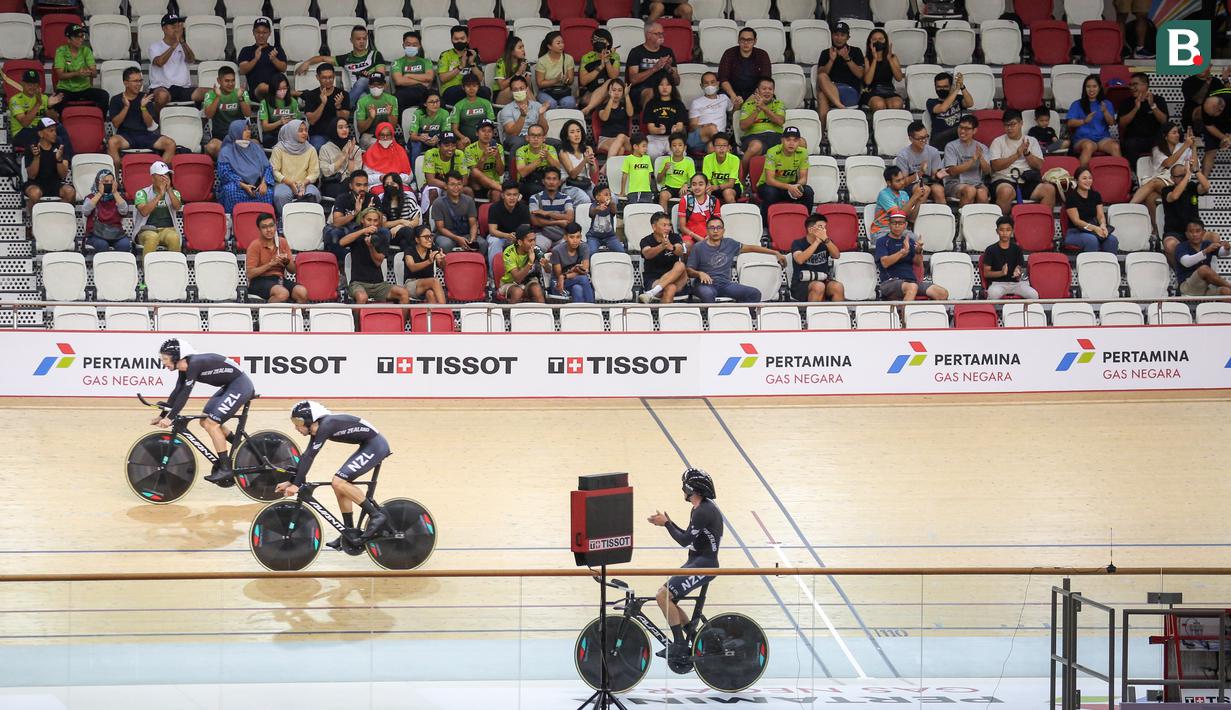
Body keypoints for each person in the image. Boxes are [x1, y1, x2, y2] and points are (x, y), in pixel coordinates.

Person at [279, 400, 393, 551]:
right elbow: (306, 456)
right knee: (339, 486)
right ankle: (348, 532)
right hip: (368, 445)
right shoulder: (319, 429)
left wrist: (296, 484)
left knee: (338, 481)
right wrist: (291, 481)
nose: (296, 427)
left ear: (310, 419)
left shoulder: (327, 424)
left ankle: (376, 515)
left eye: (298, 422)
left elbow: (310, 457)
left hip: (376, 445)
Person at [155, 338, 256, 484]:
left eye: (165, 358)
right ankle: (240, 445)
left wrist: (170, 418)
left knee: (212, 423)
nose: (163, 362)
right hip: (230, 385)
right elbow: (177, 391)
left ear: (177, 357)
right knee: (205, 420)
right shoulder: (185, 369)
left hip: (240, 385)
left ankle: (226, 468)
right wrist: (162, 415)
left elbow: (185, 395)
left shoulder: (194, 365)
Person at [647, 468, 722, 664]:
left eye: (684, 486)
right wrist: (669, 523)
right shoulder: (700, 508)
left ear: (691, 489)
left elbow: (684, 541)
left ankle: (679, 644)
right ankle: (693, 637)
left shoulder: (703, 511)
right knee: (668, 598)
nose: (682, 489)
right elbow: (689, 538)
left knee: (663, 596)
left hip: (704, 565)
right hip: (698, 562)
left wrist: (666, 524)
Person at [687, 216, 786, 303]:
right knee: (707, 293)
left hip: (725, 284)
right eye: (712, 228)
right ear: (707, 230)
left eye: (719, 228)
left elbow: (752, 248)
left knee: (754, 293)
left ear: (723, 230)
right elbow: (689, 271)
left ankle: (745, 319)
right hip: (705, 285)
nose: (715, 231)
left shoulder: (730, 243)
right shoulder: (698, 247)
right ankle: (713, 321)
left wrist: (775, 252)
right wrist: (699, 273)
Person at [296, 25, 386, 107]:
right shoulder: (346, 58)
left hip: (374, 88)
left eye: (364, 39)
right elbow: (322, 58)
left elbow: (380, 79)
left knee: (362, 81)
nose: (362, 42)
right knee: (362, 97)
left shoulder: (375, 55)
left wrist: (370, 76)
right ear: (351, 40)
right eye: (358, 39)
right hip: (357, 94)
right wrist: (307, 62)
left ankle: (342, 107)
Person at [106, 69, 178, 169]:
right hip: (125, 135)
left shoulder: (145, 97)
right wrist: (126, 107)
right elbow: (116, 124)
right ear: (126, 83)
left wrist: (143, 107)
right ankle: (117, 178)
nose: (139, 84)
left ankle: (160, 174)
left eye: (140, 80)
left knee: (170, 144)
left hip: (145, 135)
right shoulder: (116, 99)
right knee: (112, 142)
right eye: (135, 81)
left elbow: (149, 124)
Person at [988, 109, 1054, 215]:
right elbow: (995, 166)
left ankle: (1041, 225)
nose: (1009, 128)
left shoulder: (1031, 140)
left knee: (1049, 190)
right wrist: (1017, 155)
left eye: (1013, 124)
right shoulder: (998, 141)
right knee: (1005, 191)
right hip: (1005, 179)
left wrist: (1027, 153)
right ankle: (1003, 226)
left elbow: (1039, 165)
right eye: (1006, 125)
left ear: (1021, 123)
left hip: (1027, 180)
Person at [875, 210, 948, 302]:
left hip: (911, 281)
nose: (897, 226)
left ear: (905, 225)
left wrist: (918, 251)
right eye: (894, 223)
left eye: (900, 223)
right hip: (890, 282)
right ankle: (904, 316)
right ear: (889, 225)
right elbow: (885, 263)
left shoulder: (910, 241)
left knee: (942, 293)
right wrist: (902, 253)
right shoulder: (882, 241)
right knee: (912, 287)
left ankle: (927, 315)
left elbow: (918, 263)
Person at [343, 208, 410, 304]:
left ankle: (402, 319)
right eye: (369, 220)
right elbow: (341, 242)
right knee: (362, 297)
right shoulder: (356, 234)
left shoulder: (382, 236)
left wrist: (371, 247)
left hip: (379, 284)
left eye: (375, 221)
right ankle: (356, 319)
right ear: (362, 220)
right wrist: (362, 232)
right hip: (358, 283)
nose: (372, 223)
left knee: (403, 293)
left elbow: (378, 262)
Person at [246, 212, 309, 303]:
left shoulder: (282, 242)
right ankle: (265, 315)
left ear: (275, 227)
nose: (269, 230)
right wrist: (270, 264)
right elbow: (250, 274)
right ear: (259, 229)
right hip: (259, 281)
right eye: (264, 227)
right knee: (282, 293)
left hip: (279, 279)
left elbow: (293, 270)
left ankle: (295, 317)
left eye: (271, 226)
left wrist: (286, 261)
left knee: (302, 292)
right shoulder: (255, 245)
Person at [148, 14, 206, 109]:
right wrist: (174, 45)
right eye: (173, 26)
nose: (176, 29)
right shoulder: (154, 47)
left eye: (178, 26)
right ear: (164, 29)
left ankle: (203, 121)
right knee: (162, 96)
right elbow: (159, 62)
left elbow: (191, 59)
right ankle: (158, 123)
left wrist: (182, 42)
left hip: (183, 89)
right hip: (162, 88)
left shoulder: (183, 45)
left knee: (211, 94)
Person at [1130, 123, 1194, 208]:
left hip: (1180, 182)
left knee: (1154, 182)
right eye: (1174, 133)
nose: (1177, 135)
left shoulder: (1184, 147)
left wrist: (1193, 147)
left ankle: (1129, 206)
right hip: (1166, 181)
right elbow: (1168, 163)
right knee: (1150, 197)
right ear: (1165, 136)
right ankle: (1153, 222)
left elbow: (1195, 166)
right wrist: (1185, 146)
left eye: (1178, 132)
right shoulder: (1157, 149)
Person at [216, 119, 274, 213]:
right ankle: (234, 220)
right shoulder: (226, 151)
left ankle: (263, 221)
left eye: (249, 129)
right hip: (238, 185)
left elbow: (267, 167)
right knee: (231, 191)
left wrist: (264, 183)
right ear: (236, 131)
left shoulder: (255, 147)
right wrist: (244, 185)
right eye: (245, 130)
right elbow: (225, 174)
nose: (249, 132)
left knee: (268, 193)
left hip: (257, 184)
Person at [1161, 155, 1209, 261]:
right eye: (1180, 176)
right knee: (1169, 244)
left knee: (1214, 237)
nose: (1184, 177)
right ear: (1172, 178)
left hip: (1194, 230)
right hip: (1174, 231)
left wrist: (1196, 171)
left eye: (1185, 175)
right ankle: (1179, 272)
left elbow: (1206, 186)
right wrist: (1187, 175)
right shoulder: (1166, 190)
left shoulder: (1192, 186)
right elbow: (1174, 196)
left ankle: (1205, 267)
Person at [1066, 75, 1120, 169]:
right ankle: (1080, 176)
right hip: (1082, 139)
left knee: (1115, 146)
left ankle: (1120, 176)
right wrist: (1084, 121)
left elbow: (1112, 123)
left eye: (1094, 86)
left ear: (1099, 88)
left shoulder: (1106, 103)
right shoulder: (1077, 104)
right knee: (1089, 146)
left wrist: (1105, 112)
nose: (1091, 90)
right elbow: (1070, 123)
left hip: (1102, 139)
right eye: (1088, 87)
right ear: (1084, 88)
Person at [815, 22, 865, 122]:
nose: (839, 38)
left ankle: (824, 130)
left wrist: (847, 58)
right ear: (832, 36)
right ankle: (825, 132)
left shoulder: (856, 51)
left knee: (822, 95)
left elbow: (860, 74)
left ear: (848, 37)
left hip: (851, 91)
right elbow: (820, 74)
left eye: (842, 35)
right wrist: (831, 60)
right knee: (822, 79)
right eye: (836, 35)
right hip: (831, 89)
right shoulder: (826, 53)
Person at [757, 126, 813, 215]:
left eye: (795, 140)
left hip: (790, 186)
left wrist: (796, 187)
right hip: (769, 186)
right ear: (782, 140)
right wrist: (789, 187)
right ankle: (765, 224)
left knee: (808, 191)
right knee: (771, 192)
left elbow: (803, 178)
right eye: (788, 140)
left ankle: (806, 221)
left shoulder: (803, 152)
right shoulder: (772, 152)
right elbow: (769, 180)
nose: (791, 143)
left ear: (799, 142)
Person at [325, 170, 379, 261]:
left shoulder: (373, 198)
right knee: (333, 234)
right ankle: (342, 264)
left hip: (365, 229)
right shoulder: (342, 198)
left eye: (365, 185)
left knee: (384, 232)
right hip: (345, 229)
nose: (362, 188)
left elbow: (380, 221)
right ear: (351, 186)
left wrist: (368, 212)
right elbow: (337, 223)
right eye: (358, 185)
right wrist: (355, 212)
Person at [52, 23, 107, 112]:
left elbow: (95, 74)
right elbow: (60, 75)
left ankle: (100, 122)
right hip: (66, 89)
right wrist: (77, 73)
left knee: (104, 95)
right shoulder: (61, 51)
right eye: (77, 37)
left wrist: (89, 72)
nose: (81, 39)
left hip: (84, 88)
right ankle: (60, 124)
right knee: (57, 100)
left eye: (82, 36)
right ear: (68, 39)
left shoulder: (86, 50)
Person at [271, 120, 322, 215]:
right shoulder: (278, 149)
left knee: (314, 194)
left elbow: (314, 172)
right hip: (284, 183)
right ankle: (285, 219)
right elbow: (274, 171)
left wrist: (304, 183)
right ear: (291, 132)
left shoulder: (311, 149)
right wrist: (289, 182)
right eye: (300, 130)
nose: (304, 133)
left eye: (306, 130)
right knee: (281, 195)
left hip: (304, 183)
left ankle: (308, 220)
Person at [790, 213, 844, 302]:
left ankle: (837, 314)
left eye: (824, 227)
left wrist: (826, 240)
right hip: (801, 284)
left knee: (838, 287)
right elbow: (799, 259)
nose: (824, 230)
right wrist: (817, 242)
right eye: (820, 227)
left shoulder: (827, 242)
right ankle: (813, 315)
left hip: (823, 280)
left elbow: (836, 255)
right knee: (819, 286)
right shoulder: (798, 243)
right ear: (810, 230)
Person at [981, 216, 1038, 300]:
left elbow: (1019, 266)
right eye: (1001, 230)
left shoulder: (1017, 249)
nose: (1004, 233)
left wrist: (1017, 271)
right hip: (997, 284)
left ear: (1012, 231)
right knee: (993, 294)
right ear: (997, 231)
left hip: (1015, 284)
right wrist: (1001, 273)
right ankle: (994, 313)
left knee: (1033, 294)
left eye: (1008, 230)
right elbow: (986, 273)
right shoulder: (990, 250)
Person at [21, 118, 73, 211]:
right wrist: (36, 157)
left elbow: (63, 175)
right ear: (41, 134)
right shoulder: (32, 148)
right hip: (36, 183)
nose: (55, 134)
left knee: (70, 192)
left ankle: (58, 217)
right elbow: (31, 176)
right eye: (51, 131)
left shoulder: (60, 147)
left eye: (55, 130)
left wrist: (59, 160)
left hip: (55, 183)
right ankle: (33, 223)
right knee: (34, 193)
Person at [638, 211, 689, 303]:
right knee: (670, 288)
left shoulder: (675, 237)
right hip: (654, 279)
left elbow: (680, 250)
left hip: (677, 278)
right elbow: (647, 254)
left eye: (669, 225)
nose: (667, 228)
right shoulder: (646, 240)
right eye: (664, 225)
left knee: (680, 265)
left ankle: (651, 293)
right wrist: (662, 246)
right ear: (654, 227)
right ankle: (665, 315)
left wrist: (672, 247)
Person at [9, 68, 65, 153]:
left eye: (35, 84)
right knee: (50, 137)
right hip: (21, 132)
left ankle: (66, 161)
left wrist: (50, 106)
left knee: (60, 128)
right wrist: (38, 103)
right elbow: (24, 123)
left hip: (40, 129)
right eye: (29, 84)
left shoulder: (44, 97)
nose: (32, 87)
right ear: (22, 84)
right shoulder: (15, 100)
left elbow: (54, 120)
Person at [1063, 167, 1118, 253]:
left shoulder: (1096, 195)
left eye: (1090, 178)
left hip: (1095, 229)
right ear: (1076, 180)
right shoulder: (1071, 197)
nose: (1088, 181)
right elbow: (1076, 221)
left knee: (1112, 240)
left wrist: (1103, 225)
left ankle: (1110, 265)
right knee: (1091, 240)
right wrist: (1094, 228)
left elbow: (1100, 215)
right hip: (1076, 232)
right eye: (1084, 178)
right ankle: (1091, 266)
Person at [202, 66, 254, 159]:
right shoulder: (211, 94)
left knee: (256, 145)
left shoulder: (241, 93)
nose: (230, 83)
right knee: (211, 147)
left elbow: (248, 114)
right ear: (219, 81)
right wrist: (217, 97)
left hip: (241, 135)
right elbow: (209, 115)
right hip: (221, 136)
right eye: (227, 81)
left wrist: (240, 98)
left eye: (233, 80)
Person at [1117, 73, 1169, 165]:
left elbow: (1164, 121)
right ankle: (1134, 174)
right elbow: (1122, 124)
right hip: (1134, 138)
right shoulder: (1126, 102)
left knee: (1164, 144)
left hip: (1154, 138)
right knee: (1130, 145)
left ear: (1145, 85)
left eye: (1135, 84)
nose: (1132, 88)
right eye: (1130, 85)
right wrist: (1135, 108)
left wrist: (1152, 106)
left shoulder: (1158, 100)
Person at [132, 161, 183, 254]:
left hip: (167, 229)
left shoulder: (174, 193)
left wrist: (169, 190)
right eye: (161, 175)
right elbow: (144, 212)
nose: (165, 178)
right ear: (152, 177)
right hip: (145, 230)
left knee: (174, 237)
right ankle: (147, 267)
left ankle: (174, 267)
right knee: (152, 237)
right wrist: (159, 195)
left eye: (166, 174)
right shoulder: (142, 193)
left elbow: (177, 207)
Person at [626, 21, 679, 109]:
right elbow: (632, 79)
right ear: (648, 35)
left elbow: (677, 81)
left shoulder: (668, 52)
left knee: (675, 94)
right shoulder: (636, 52)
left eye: (662, 33)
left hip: (663, 87)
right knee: (652, 93)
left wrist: (670, 69)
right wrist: (654, 68)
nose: (661, 36)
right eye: (657, 34)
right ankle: (649, 121)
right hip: (641, 90)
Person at [301, 63, 352, 151]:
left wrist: (338, 106)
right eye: (324, 78)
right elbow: (311, 121)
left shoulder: (343, 94)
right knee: (317, 146)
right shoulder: (311, 95)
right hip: (319, 134)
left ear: (334, 76)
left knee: (350, 148)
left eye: (330, 77)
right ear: (317, 77)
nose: (328, 80)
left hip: (338, 134)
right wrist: (323, 104)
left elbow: (345, 119)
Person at [895, 121, 947, 205]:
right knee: (924, 189)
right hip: (911, 185)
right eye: (920, 138)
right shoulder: (903, 155)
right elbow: (903, 182)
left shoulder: (933, 151)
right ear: (911, 139)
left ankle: (944, 215)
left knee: (939, 190)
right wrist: (920, 172)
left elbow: (934, 176)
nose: (924, 141)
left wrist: (938, 175)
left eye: (926, 137)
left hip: (929, 181)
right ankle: (916, 215)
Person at [943, 115, 991, 207]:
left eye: (967, 129)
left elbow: (987, 171)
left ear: (974, 130)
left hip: (977, 183)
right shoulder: (951, 146)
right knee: (970, 190)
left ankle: (980, 220)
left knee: (982, 193)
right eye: (961, 127)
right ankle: (963, 220)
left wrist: (980, 158)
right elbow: (952, 171)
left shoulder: (982, 147)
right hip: (955, 183)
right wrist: (973, 160)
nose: (962, 131)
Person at [1174, 219, 1231, 297]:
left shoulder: (1207, 243)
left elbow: (1222, 252)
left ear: (1203, 233)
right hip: (1188, 288)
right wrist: (1206, 251)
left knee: (1226, 291)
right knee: (1204, 269)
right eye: (1191, 232)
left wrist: (1227, 248)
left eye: (1198, 231)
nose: (1194, 234)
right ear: (1186, 234)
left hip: (1206, 288)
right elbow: (1186, 262)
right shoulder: (1181, 246)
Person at [236, 17, 288, 101]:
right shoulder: (246, 50)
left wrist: (274, 59)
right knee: (262, 87)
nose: (261, 35)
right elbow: (242, 70)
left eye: (264, 32)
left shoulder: (276, 50)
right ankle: (293, 93)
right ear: (253, 32)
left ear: (269, 33)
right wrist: (255, 59)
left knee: (280, 88)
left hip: (277, 92)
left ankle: (284, 93)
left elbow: (283, 68)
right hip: (256, 93)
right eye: (258, 32)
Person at [718, 27, 771, 106]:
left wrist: (752, 98)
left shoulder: (762, 55)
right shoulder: (729, 53)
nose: (746, 43)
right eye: (743, 40)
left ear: (755, 41)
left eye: (749, 40)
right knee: (720, 99)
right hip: (732, 92)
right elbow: (723, 78)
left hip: (756, 93)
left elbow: (765, 79)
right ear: (738, 40)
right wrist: (733, 96)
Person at [438, 25, 489, 106]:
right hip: (451, 88)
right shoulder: (445, 55)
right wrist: (461, 66)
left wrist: (472, 63)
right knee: (460, 92)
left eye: (462, 39)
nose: (459, 41)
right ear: (451, 40)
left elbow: (480, 78)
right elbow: (443, 78)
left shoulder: (473, 54)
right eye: (456, 39)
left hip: (471, 87)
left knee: (485, 91)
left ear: (467, 39)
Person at [82, 169, 131, 253]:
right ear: (98, 182)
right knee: (102, 245)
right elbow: (86, 211)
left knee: (125, 244)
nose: (108, 184)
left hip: (115, 233)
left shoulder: (118, 197)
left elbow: (124, 211)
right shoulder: (91, 197)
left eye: (111, 181)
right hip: (95, 234)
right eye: (105, 181)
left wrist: (115, 193)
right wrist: (100, 193)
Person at [871, 166, 927, 236]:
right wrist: (915, 196)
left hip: (900, 230)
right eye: (898, 181)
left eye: (902, 179)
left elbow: (911, 218)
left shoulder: (904, 194)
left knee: (916, 242)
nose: (902, 182)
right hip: (882, 230)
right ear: (889, 183)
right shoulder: (884, 194)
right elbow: (898, 215)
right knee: (895, 241)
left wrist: (918, 200)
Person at [738, 77, 785, 161]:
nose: (767, 91)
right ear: (757, 91)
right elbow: (743, 126)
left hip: (776, 137)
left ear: (773, 91)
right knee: (756, 146)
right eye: (764, 89)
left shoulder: (779, 104)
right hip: (754, 137)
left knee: (800, 142)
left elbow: (780, 121)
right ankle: (743, 173)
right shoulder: (748, 105)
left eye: (770, 89)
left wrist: (764, 108)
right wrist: (757, 110)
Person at [318, 117, 365, 202]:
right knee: (344, 192)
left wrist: (350, 156)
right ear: (333, 129)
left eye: (346, 127)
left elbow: (355, 174)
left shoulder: (355, 148)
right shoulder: (325, 148)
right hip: (331, 182)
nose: (344, 130)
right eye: (340, 127)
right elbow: (326, 172)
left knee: (353, 186)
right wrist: (343, 156)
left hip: (350, 183)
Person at [430, 172, 479, 251]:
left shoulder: (469, 201)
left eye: (459, 184)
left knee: (482, 244)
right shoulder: (438, 203)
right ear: (446, 186)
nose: (456, 187)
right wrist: (457, 238)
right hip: (446, 236)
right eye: (452, 184)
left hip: (465, 234)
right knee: (446, 244)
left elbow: (473, 224)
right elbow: (440, 228)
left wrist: (472, 239)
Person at [498, 75, 548, 153]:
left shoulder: (537, 106)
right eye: (515, 89)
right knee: (518, 142)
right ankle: (515, 165)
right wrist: (522, 116)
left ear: (527, 89)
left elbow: (544, 131)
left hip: (535, 137)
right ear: (511, 91)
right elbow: (513, 133)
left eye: (521, 88)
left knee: (557, 143)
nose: (519, 91)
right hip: (516, 138)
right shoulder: (506, 109)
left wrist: (541, 115)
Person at [487, 180, 531, 267]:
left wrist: (517, 236)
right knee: (494, 242)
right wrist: (506, 235)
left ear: (518, 196)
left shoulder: (524, 208)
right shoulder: (494, 208)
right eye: (509, 195)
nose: (512, 198)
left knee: (526, 241)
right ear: (503, 195)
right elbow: (492, 231)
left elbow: (526, 229)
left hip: (517, 237)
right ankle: (495, 275)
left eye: (515, 195)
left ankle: (522, 273)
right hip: (499, 236)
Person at [643, 75, 688, 160]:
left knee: (680, 152)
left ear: (672, 87)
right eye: (661, 85)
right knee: (650, 152)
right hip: (655, 138)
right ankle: (654, 172)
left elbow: (680, 125)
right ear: (657, 87)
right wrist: (659, 130)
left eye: (667, 84)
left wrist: (675, 130)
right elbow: (650, 128)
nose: (664, 87)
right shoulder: (651, 104)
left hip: (673, 138)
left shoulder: (678, 104)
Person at [500, 225, 548, 303]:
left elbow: (548, 270)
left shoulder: (536, 249)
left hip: (528, 281)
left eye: (534, 240)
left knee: (536, 288)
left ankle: (543, 314)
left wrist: (546, 265)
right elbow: (517, 279)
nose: (533, 243)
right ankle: (510, 315)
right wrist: (530, 263)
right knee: (517, 292)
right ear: (520, 242)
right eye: (530, 241)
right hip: (510, 283)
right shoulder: (509, 252)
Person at [530, 167, 575, 249]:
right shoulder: (534, 198)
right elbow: (535, 221)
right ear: (543, 181)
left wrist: (548, 213)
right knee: (538, 248)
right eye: (548, 179)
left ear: (559, 182)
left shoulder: (566, 198)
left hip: (561, 234)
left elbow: (569, 218)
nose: (551, 182)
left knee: (570, 247)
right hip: (542, 234)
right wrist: (559, 222)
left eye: (554, 179)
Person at [926, 71, 972, 151]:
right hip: (938, 139)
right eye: (939, 87)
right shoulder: (931, 102)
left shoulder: (957, 99)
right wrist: (956, 90)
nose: (942, 89)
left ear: (950, 86)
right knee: (963, 128)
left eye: (945, 86)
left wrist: (962, 86)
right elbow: (943, 108)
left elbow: (970, 103)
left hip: (957, 138)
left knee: (969, 126)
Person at [422, 132, 471, 206]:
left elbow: (464, 180)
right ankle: (431, 216)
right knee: (433, 191)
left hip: (455, 185)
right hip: (436, 185)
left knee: (468, 191)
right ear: (438, 145)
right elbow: (430, 180)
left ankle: (469, 216)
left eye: (453, 145)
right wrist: (448, 187)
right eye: (447, 145)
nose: (450, 149)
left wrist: (453, 187)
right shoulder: (430, 154)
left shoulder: (460, 154)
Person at [579, 29, 621, 116]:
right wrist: (600, 66)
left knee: (610, 82)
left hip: (610, 93)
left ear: (608, 43)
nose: (598, 42)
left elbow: (614, 77)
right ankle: (593, 106)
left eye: (601, 40)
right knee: (587, 100)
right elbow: (583, 81)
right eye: (595, 39)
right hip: (592, 91)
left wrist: (606, 60)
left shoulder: (615, 56)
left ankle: (589, 108)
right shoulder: (586, 57)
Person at [860, 28, 904, 111]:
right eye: (874, 39)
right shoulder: (867, 59)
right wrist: (874, 59)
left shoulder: (893, 57)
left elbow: (899, 78)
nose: (878, 42)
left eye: (881, 39)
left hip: (889, 91)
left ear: (885, 41)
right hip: (872, 91)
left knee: (897, 104)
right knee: (879, 105)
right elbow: (868, 81)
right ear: (870, 42)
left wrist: (889, 59)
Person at [688, 72, 732, 154]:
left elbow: (733, 111)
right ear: (701, 86)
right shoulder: (696, 102)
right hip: (698, 137)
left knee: (711, 147)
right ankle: (723, 145)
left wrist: (737, 104)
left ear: (718, 83)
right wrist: (705, 126)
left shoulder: (724, 98)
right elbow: (693, 125)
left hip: (715, 139)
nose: (710, 85)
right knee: (712, 129)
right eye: (706, 83)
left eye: (712, 82)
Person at [391, 31, 435, 111]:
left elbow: (429, 77)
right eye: (408, 44)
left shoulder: (426, 62)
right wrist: (421, 82)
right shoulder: (397, 62)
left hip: (423, 91)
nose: (411, 47)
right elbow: (399, 81)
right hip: (404, 91)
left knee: (438, 100)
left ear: (419, 46)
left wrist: (408, 75)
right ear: (403, 45)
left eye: (414, 45)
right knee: (395, 100)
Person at [402, 225, 447, 303]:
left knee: (430, 294)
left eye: (431, 236)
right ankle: (446, 312)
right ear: (417, 239)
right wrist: (429, 261)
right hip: (412, 284)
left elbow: (442, 266)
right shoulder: (409, 250)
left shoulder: (433, 249)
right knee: (434, 281)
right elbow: (412, 267)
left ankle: (437, 314)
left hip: (428, 285)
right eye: (426, 237)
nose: (430, 239)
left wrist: (442, 260)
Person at [377, 172, 422, 250]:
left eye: (392, 183)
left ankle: (409, 259)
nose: (389, 186)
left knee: (405, 242)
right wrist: (401, 221)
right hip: (391, 235)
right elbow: (383, 224)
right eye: (386, 184)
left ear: (399, 185)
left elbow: (415, 222)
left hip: (407, 233)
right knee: (407, 232)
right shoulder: (381, 201)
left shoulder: (408, 199)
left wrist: (400, 226)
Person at [1192, 90, 1231, 178]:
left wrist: (1230, 138)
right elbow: (1209, 125)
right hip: (1215, 125)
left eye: (1212, 114)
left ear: (1220, 109)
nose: (1209, 115)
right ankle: (1204, 182)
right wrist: (1224, 138)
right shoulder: (1207, 105)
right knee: (1210, 151)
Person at [257, 74, 303, 149]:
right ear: (273, 89)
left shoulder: (293, 102)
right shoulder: (264, 103)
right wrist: (279, 122)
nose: (282, 91)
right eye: (279, 89)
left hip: (289, 133)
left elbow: (299, 122)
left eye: (284, 88)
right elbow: (265, 127)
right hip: (272, 134)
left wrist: (292, 121)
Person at [514, 124, 561, 198]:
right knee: (540, 191)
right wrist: (540, 159)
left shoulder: (550, 149)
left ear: (544, 138)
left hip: (545, 180)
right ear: (527, 138)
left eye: (539, 136)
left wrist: (548, 156)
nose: (536, 139)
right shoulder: (521, 150)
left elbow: (558, 168)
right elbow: (522, 173)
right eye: (533, 136)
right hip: (527, 182)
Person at [551, 222, 594, 302]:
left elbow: (585, 270)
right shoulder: (557, 250)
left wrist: (566, 275)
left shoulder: (584, 247)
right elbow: (558, 275)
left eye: (578, 237)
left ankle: (579, 313)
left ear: (581, 236)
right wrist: (572, 272)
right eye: (572, 237)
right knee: (583, 279)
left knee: (577, 288)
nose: (575, 240)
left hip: (571, 279)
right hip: (559, 283)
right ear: (565, 237)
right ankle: (593, 309)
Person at [466, 119, 507, 202]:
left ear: (493, 134)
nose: (486, 134)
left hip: (493, 184)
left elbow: (501, 172)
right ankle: (506, 190)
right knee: (474, 171)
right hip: (476, 184)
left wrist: (498, 157)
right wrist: (484, 157)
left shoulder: (498, 147)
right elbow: (475, 174)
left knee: (496, 193)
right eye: (483, 131)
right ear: (477, 133)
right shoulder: (469, 149)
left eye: (489, 131)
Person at [354, 71, 398, 146]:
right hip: (368, 135)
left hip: (386, 134)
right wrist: (371, 118)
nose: (375, 87)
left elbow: (393, 126)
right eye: (372, 85)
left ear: (384, 85)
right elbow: (360, 129)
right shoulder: (362, 101)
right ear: (368, 85)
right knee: (376, 145)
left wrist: (390, 115)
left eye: (379, 85)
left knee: (393, 146)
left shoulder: (392, 100)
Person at [535, 31, 577, 110]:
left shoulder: (568, 58)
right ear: (549, 46)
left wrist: (566, 80)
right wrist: (555, 80)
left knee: (570, 103)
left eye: (562, 42)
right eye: (558, 43)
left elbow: (571, 81)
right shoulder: (542, 61)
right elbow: (540, 84)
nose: (562, 45)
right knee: (551, 104)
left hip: (563, 91)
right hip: (546, 91)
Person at [362, 121, 413, 186]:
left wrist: (394, 178)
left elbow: (409, 176)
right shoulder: (370, 153)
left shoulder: (400, 151)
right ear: (378, 136)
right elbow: (365, 178)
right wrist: (380, 178)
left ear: (392, 136)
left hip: (399, 185)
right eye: (382, 135)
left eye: (388, 135)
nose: (385, 138)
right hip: (378, 185)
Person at [450, 73, 495, 145]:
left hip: (485, 138)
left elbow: (491, 123)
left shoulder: (486, 103)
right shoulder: (458, 105)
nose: (471, 89)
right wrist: (463, 138)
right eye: (468, 86)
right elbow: (454, 129)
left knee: (493, 144)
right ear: (463, 87)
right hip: (466, 139)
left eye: (474, 86)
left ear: (478, 87)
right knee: (461, 144)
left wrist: (486, 136)